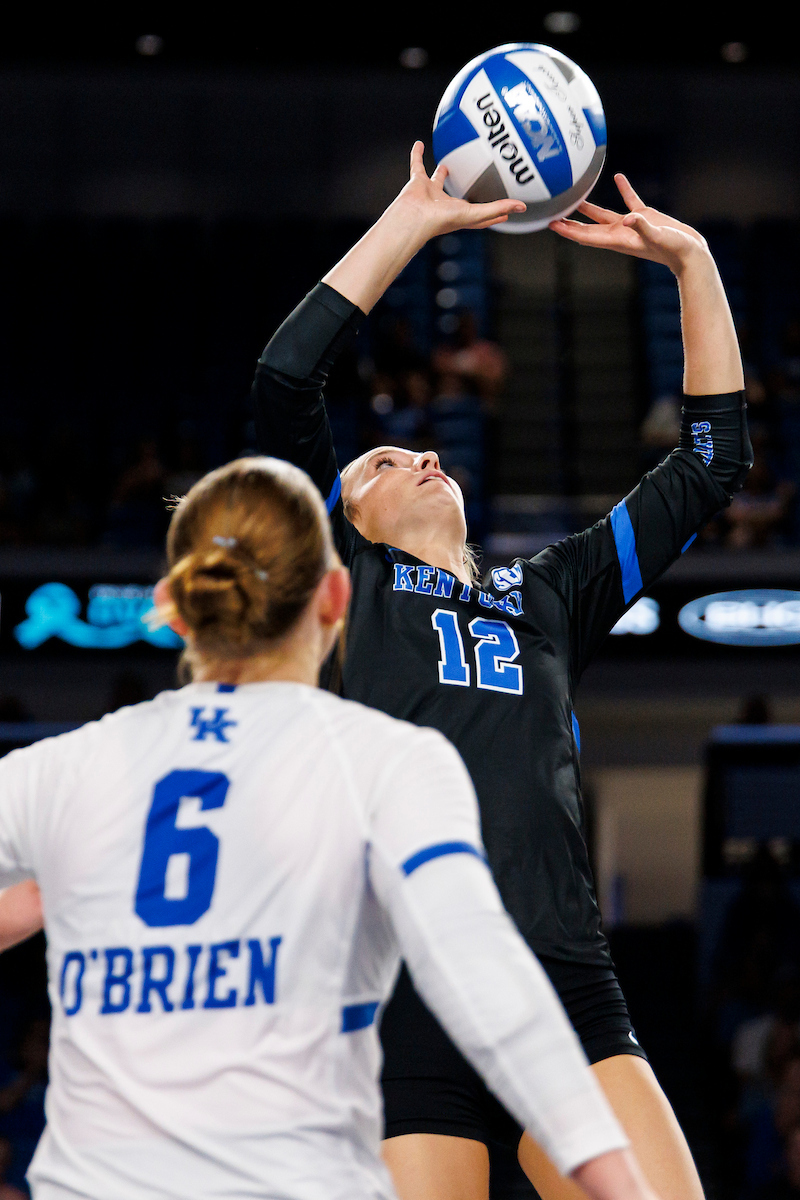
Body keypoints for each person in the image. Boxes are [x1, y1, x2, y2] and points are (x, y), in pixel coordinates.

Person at [250, 142, 752, 1200]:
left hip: (557, 979)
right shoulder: (340, 585)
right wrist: (412, 219)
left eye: (424, 453)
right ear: (342, 518)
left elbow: (710, 462)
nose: (424, 458)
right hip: (398, 989)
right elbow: (286, 381)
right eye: (385, 462)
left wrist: (692, 262)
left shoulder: (550, 594)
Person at [0, 456, 659, 1200]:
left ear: (169, 607)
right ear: (334, 597)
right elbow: (480, 957)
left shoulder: (74, 768)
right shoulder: (389, 762)